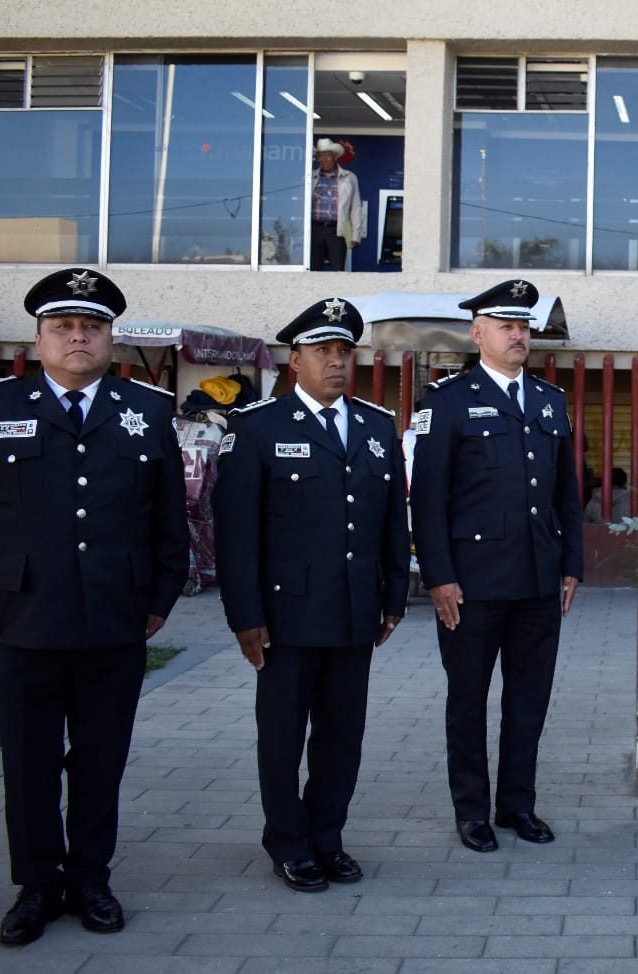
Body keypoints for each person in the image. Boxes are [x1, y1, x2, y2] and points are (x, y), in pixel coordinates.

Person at [0, 268, 188, 945]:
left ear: (110, 338)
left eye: (93, 327)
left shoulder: (149, 410)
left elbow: (172, 520)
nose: (79, 336)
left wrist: (161, 598)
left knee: (102, 759)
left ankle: (91, 879)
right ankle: (36, 885)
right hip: (21, 620)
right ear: (40, 338)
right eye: (64, 327)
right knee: (27, 759)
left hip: (117, 617)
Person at [213, 298, 408, 893]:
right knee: (282, 735)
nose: (336, 362)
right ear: (294, 359)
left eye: (344, 351)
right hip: (286, 615)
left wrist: (394, 595)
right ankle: (289, 841)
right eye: (322, 351)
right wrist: (244, 615)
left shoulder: (375, 426)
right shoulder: (258, 427)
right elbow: (236, 533)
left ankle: (328, 836)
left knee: (342, 735)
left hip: (354, 611)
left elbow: (390, 520)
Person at [410, 279, 584, 853]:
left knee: (528, 700)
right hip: (472, 584)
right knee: (468, 699)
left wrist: (571, 566)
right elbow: (427, 498)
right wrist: (437, 575)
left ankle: (517, 805)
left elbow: (566, 494)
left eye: (524, 326)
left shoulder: (549, 401)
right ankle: (471, 811)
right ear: (476, 333)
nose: (518, 335)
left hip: (538, 579)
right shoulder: (447, 400)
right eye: (506, 326)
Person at [310, 137, 362, 272]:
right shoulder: (310, 177)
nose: (323, 160)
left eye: (327, 156)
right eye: (320, 156)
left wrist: (355, 235)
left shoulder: (349, 177)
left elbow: (355, 208)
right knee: (313, 269)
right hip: (314, 229)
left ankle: (335, 293)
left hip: (338, 230)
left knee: (338, 269)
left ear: (335, 157)